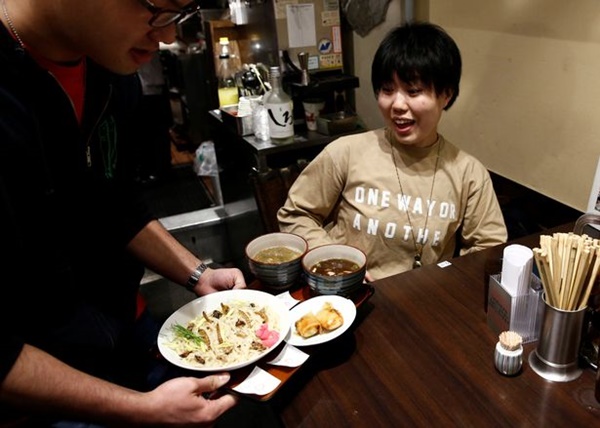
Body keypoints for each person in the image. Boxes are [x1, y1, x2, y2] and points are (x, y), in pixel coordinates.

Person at [0, 0, 246, 426]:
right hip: (38, 390)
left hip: (131, 333)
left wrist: (197, 273)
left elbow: (115, 205)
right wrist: (144, 411)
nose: (168, 35)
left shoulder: (110, 70)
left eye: (180, 14)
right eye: (158, 8)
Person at [278, 21, 508, 280]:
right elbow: (296, 214)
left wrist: (446, 283)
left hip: (422, 304)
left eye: (413, 91)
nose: (397, 104)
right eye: (387, 90)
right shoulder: (346, 152)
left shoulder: (469, 173)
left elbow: (490, 248)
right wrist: (338, 262)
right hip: (345, 296)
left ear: (446, 94)